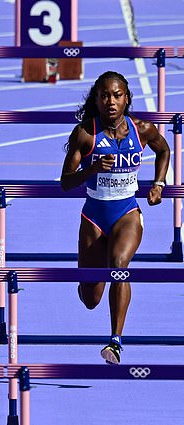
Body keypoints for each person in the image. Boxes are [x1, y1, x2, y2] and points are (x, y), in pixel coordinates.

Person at [60, 71, 170, 364]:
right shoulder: (85, 134)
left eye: (117, 95)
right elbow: (66, 182)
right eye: (105, 96)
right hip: (94, 217)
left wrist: (159, 184)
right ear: (96, 100)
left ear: (126, 98)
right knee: (91, 299)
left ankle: (115, 342)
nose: (111, 101)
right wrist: (92, 170)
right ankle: (88, 282)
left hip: (127, 213)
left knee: (120, 264)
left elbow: (164, 150)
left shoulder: (143, 129)